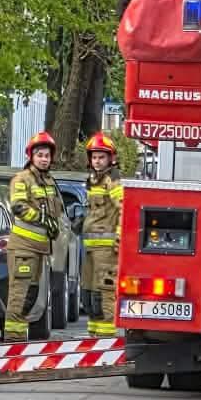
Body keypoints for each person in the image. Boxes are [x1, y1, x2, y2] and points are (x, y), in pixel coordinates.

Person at [3, 130, 62, 340]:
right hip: (23, 248)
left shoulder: (48, 182)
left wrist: (54, 224)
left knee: (31, 296)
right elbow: (18, 206)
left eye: (47, 155)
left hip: (39, 250)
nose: (44, 159)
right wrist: (41, 218)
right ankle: (12, 343)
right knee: (19, 297)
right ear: (31, 156)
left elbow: (56, 210)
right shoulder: (22, 179)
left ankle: (20, 339)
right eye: (40, 155)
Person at [80, 132, 123, 337]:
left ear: (111, 159)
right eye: (94, 157)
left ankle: (105, 342)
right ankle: (93, 338)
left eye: (101, 157)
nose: (97, 161)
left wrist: (119, 238)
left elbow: (124, 209)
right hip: (91, 249)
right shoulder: (93, 181)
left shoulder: (112, 182)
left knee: (104, 296)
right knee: (89, 296)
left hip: (106, 250)